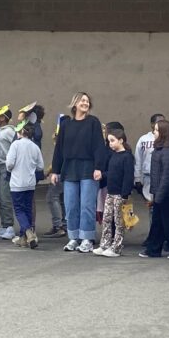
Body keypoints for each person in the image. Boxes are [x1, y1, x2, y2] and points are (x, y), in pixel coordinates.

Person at [50, 92, 106, 253]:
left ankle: (87, 238)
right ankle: (73, 237)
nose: (85, 103)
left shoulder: (93, 122)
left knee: (87, 205)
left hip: (88, 168)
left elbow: (99, 146)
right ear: (75, 104)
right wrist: (55, 171)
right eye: (82, 100)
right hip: (69, 169)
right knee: (71, 205)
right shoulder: (66, 124)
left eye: (87, 101)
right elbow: (59, 149)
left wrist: (98, 167)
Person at [140, 120, 169, 259]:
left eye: (156, 130)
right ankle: (153, 249)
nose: (154, 132)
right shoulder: (163, 149)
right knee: (158, 223)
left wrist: (159, 196)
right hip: (162, 192)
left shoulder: (167, 151)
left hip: (167, 194)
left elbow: (167, 175)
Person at [93, 128, 135, 257]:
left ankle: (116, 247)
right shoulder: (113, 155)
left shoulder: (127, 156)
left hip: (120, 194)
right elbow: (112, 172)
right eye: (109, 141)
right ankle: (105, 244)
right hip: (110, 192)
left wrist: (125, 194)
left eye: (112, 141)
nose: (110, 144)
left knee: (119, 221)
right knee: (106, 219)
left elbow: (128, 176)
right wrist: (102, 175)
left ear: (121, 140)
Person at [6, 122, 44, 249]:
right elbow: (40, 166)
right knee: (28, 209)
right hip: (30, 183)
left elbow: (9, 164)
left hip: (17, 183)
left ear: (21, 132)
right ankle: (23, 238)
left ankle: (28, 232)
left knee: (19, 210)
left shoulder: (15, 145)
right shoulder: (35, 147)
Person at [0, 105, 17, 240]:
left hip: (5, 167)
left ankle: (9, 226)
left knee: (5, 197)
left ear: (3, 118)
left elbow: (16, 146)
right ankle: (4, 225)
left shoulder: (9, 132)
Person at [43, 114, 70, 238]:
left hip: (60, 173)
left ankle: (57, 226)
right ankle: (65, 224)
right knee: (62, 199)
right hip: (68, 173)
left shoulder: (62, 139)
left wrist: (48, 172)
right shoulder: (71, 137)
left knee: (51, 197)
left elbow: (57, 160)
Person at [135, 113, 165, 201]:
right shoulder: (143, 139)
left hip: (163, 176)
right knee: (150, 201)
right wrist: (137, 178)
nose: (162, 124)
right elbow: (138, 159)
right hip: (147, 176)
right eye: (159, 122)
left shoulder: (167, 139)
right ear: (152, 124)